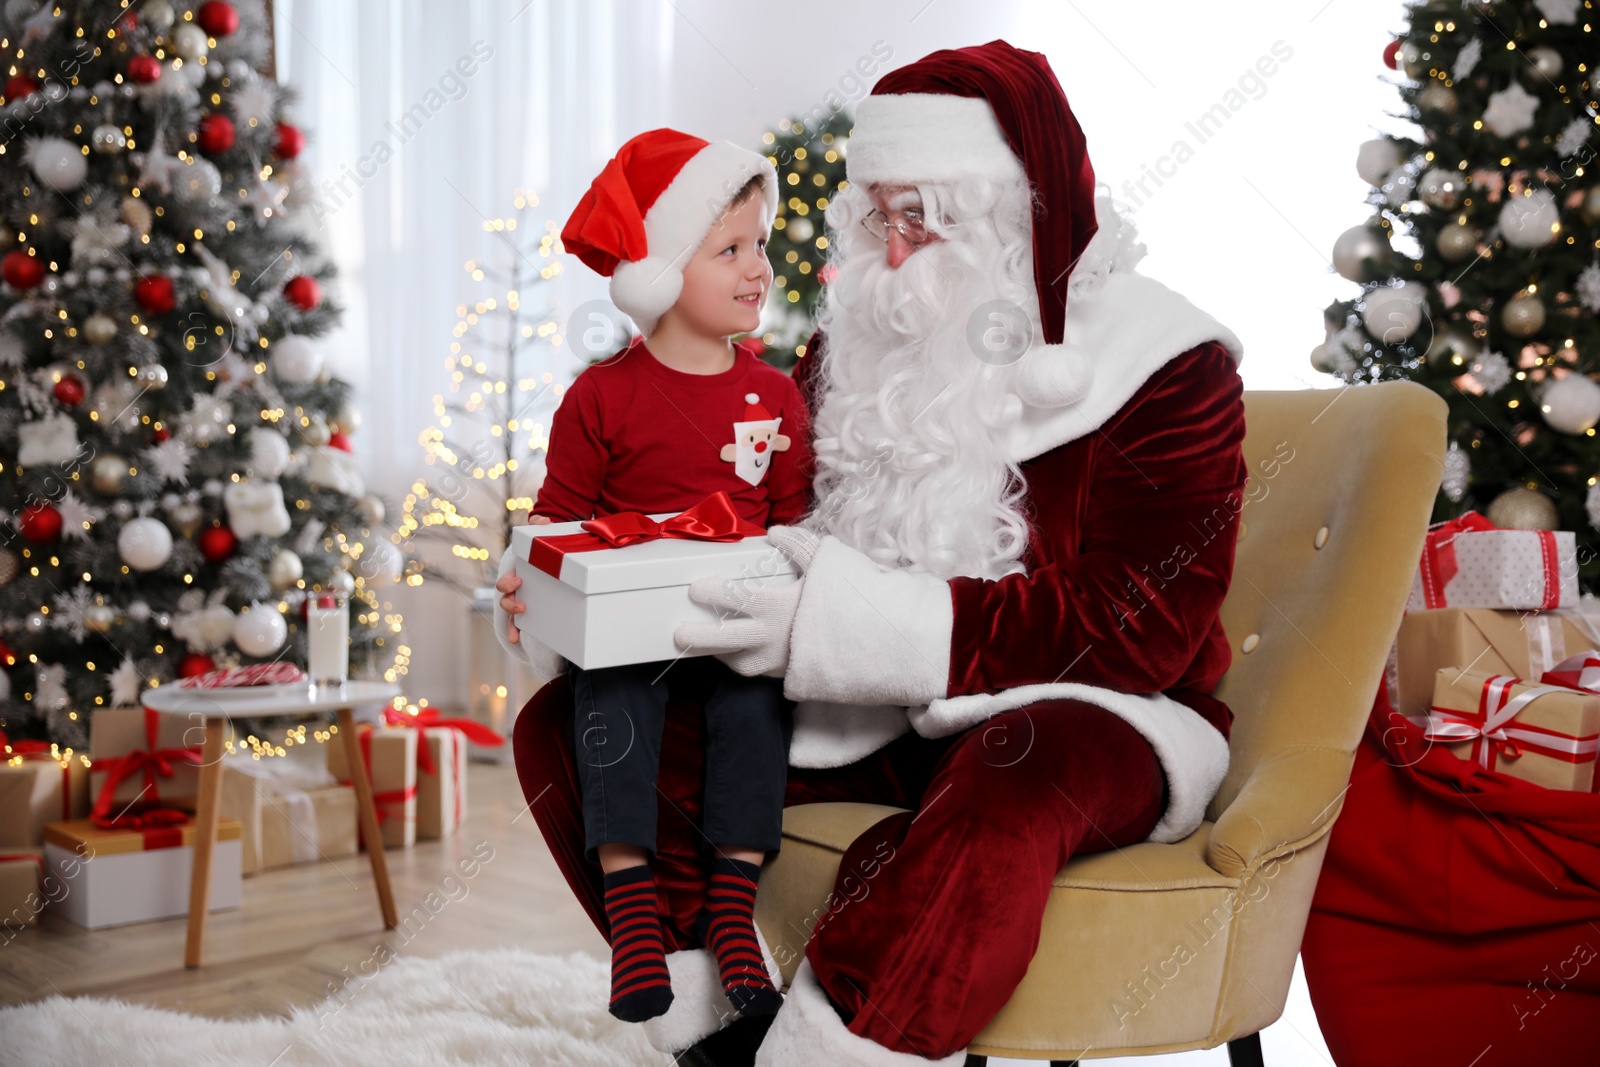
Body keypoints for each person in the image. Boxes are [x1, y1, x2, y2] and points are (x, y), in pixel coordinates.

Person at [497, 40, 1248, 1067]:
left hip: (1093, 709)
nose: (890, 256)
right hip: (862, 708)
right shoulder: (843, 346)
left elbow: (1140, 627)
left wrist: (845, 625)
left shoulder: (1165, 361)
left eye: (923, 222)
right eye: (877, 219)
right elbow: (743, 518)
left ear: (1011, 216)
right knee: (572, 724)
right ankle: (722, 1034)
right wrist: (576, 585)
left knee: (1005, 778)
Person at [502, 127, 815, 1025]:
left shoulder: (777, 396)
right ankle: (631, 901)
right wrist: (523, 586)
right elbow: (554, 527)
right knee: (611, 696)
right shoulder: (600, 398)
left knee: (754, 706)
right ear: (661, 274)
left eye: (760, 244)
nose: (758, 267)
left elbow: (796, 528)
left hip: (736, 623)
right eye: (730, 250)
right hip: (631, 633)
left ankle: (731, 907)